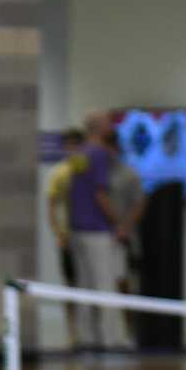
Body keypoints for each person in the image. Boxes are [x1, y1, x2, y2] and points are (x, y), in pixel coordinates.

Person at [66, 111, 124, 351]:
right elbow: (100, 193)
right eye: (108, 123)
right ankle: (111, 339)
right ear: (100, 128)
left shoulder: (78, 155)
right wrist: (116, 220)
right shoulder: (99, 155)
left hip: (78, 228)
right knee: (104, 284)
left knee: (84, 286)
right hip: (97, 229)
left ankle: (87, 337)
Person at [43, 126, 85, 293]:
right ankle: (72, 319)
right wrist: (58, 233)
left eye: (76, 144)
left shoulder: (89, 169)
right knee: (70, 280)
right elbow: (51, 206)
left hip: (88, 231)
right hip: (68, 233)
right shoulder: (59, 172)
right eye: (69, 144)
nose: (73, 148)